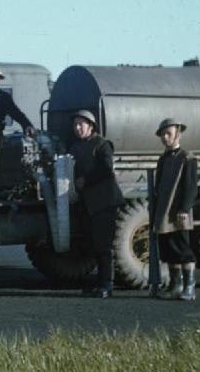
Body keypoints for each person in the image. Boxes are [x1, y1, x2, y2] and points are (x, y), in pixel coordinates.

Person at [68, 110, 123, 298]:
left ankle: (107, 284)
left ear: (91, 126)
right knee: (91, 244)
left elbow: (107, 169)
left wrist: (85, 180)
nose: (77, 128)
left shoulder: (102, 145)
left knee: (103, 245)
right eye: (75, 124)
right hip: (87, 203)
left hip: (104, 201)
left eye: (81, 124)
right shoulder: (75, 146)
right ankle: (99, 282)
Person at [151, 118, 198, 301]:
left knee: (182, 248)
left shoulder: (187, 157)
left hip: (179, 212)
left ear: (178, 133)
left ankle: (190, 287)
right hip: (164, 211)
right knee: (168, 249)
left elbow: (190, 186)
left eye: (168, 133)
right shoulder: (163, 159)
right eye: (163, 134)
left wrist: (184, 209)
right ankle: (175, 285)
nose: (165, 137)